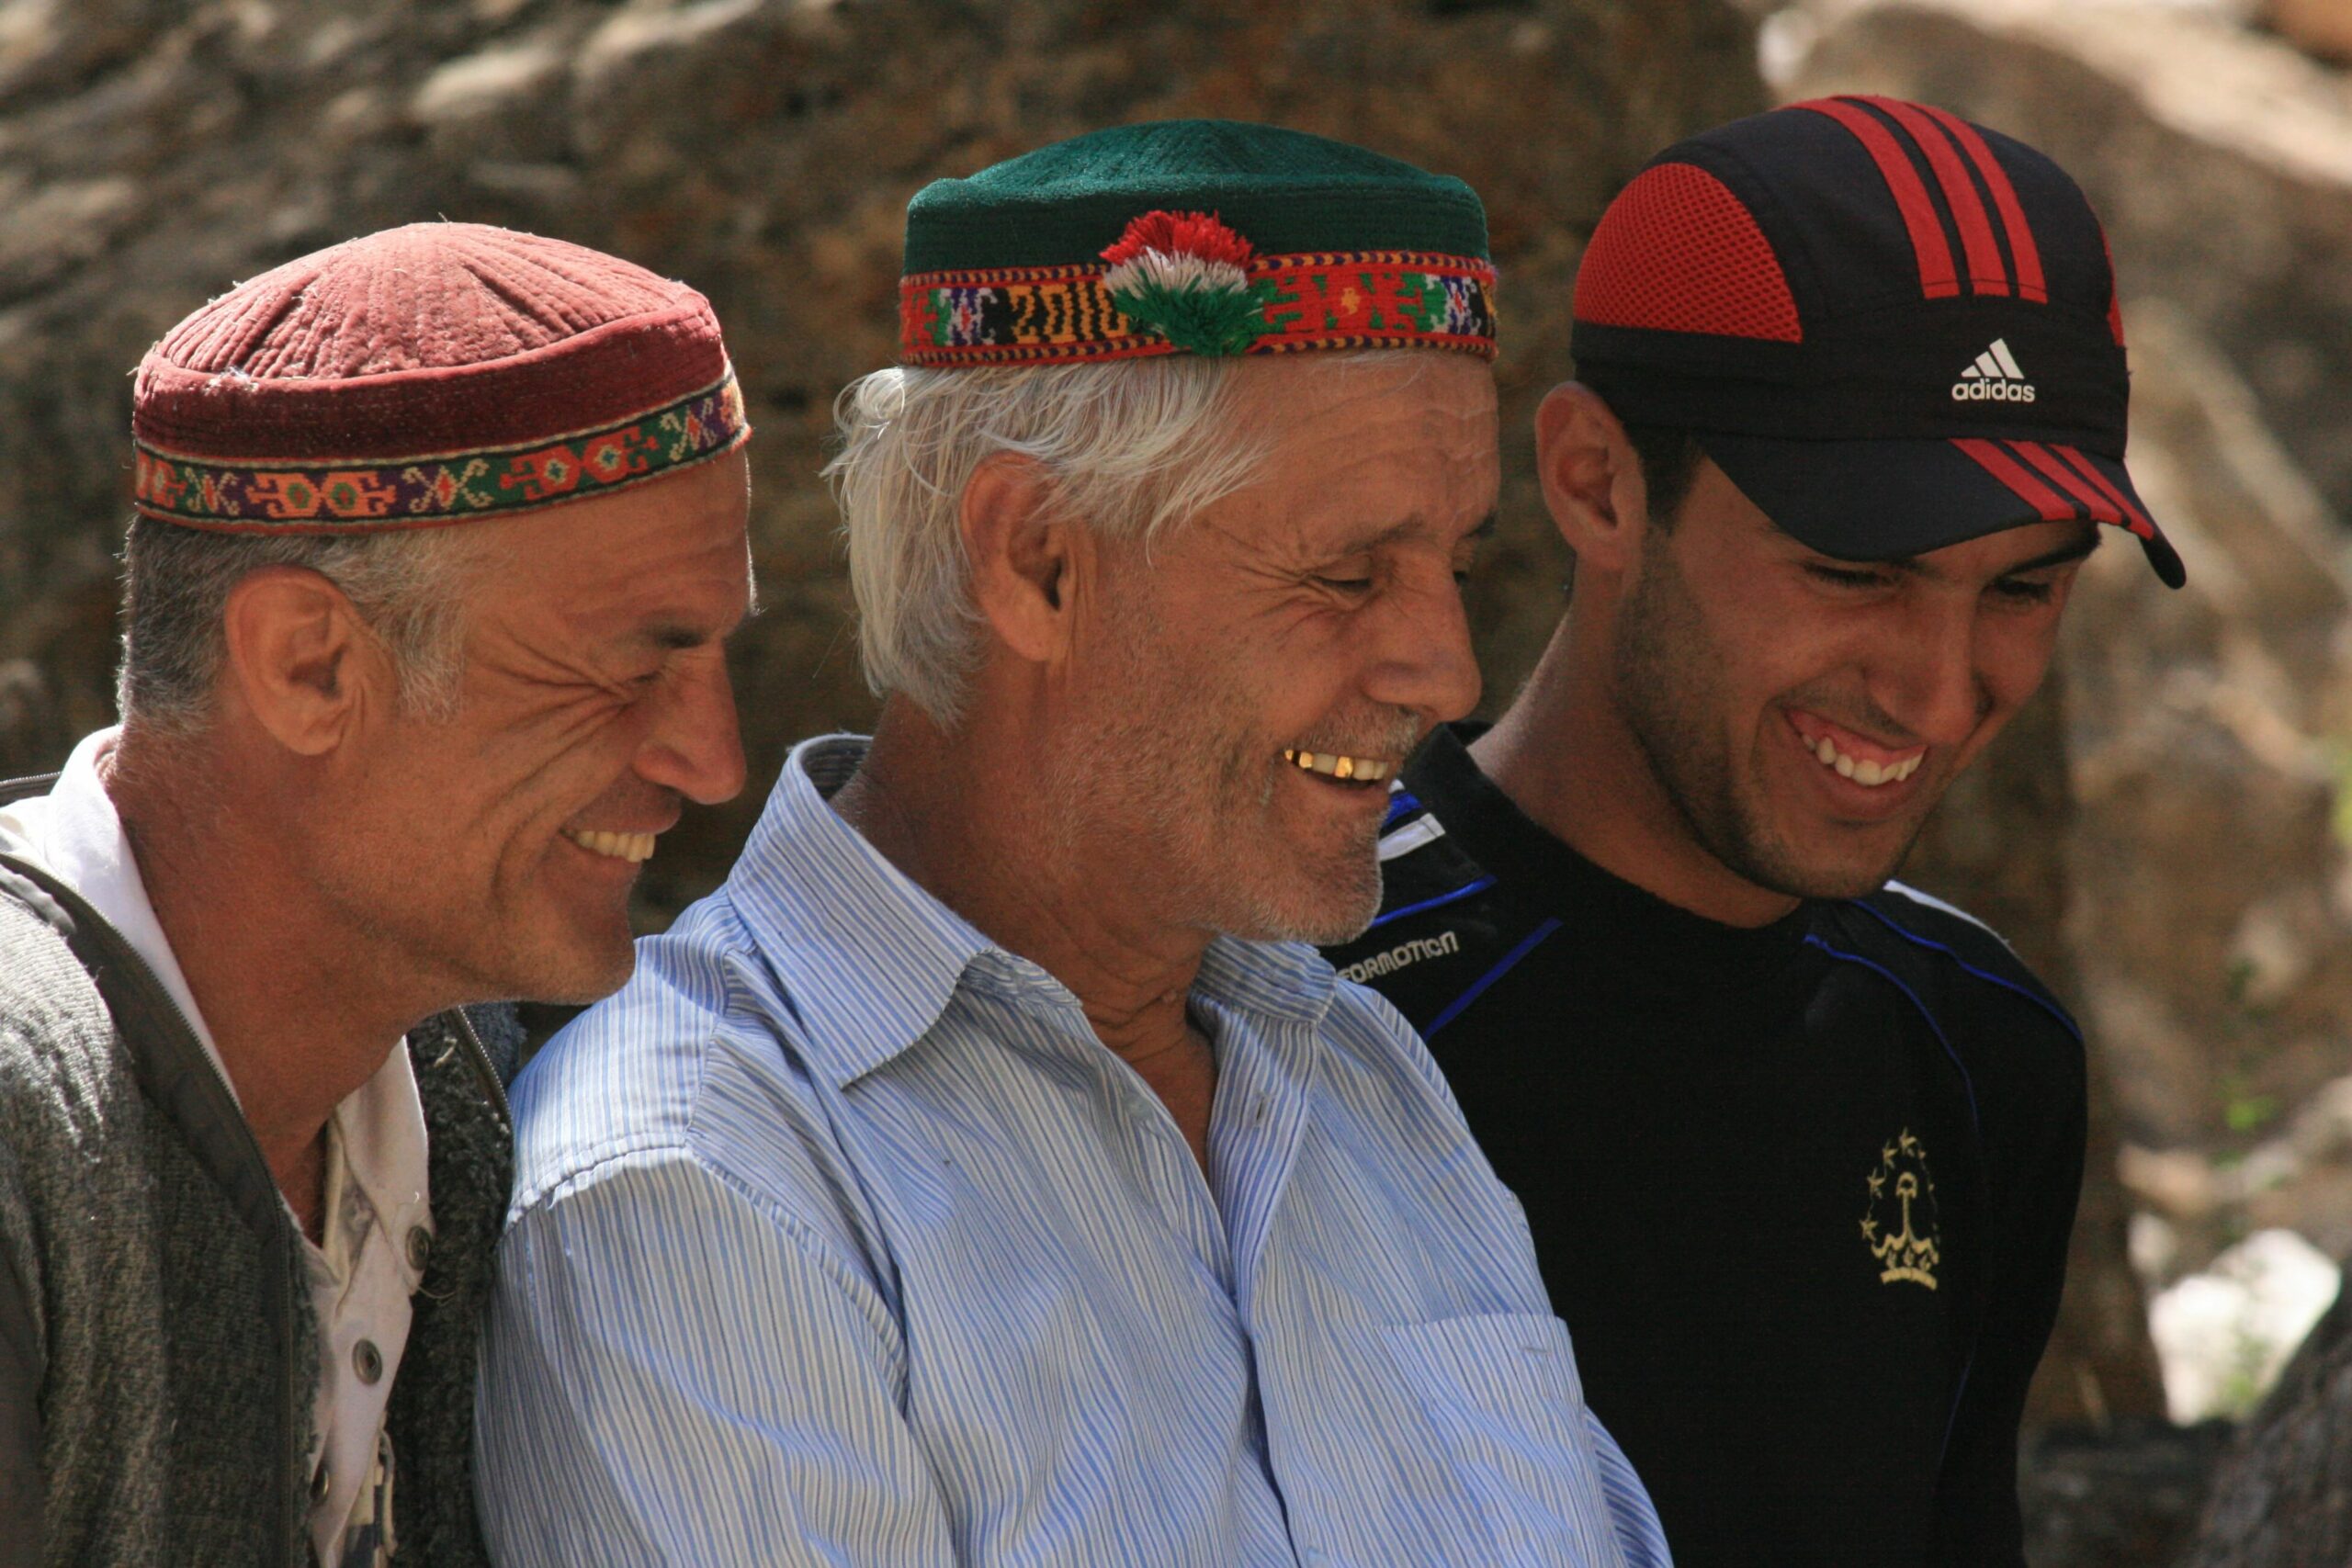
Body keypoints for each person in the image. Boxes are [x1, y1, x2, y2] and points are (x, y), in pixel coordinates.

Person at [477, 120, 1668, 1567]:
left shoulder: (1355, 1069)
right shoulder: (694, 1181)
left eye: (1457, 566)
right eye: (1346, 573)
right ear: (1039, 561)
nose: (1448, 670)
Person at [1322, 96, 2184, 1564]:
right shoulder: (1289, 1002)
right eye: (1855, 571)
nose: (1937, 688)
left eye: (2022, 590)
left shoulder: (1982, 1051)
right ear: (1597, 482)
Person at [0, 222, 753, 1568]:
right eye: (632, 669)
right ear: (309, 668)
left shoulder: (465, 1098)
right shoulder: (21, 1132)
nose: (714, 760)